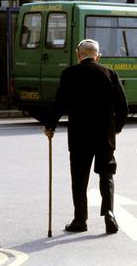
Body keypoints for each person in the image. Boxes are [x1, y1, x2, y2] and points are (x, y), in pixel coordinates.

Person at [44, 39, 128, 234]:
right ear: (98, 56)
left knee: (79, 178)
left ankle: (80, 220)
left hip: (80, 135)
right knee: (106, 174)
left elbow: (59, 103)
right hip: (104, 135)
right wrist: (117, 128)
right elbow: (122, 107)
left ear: (77, 54)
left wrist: (50, 125)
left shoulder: (69, 74)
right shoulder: (109, 74)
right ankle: (109, 214)